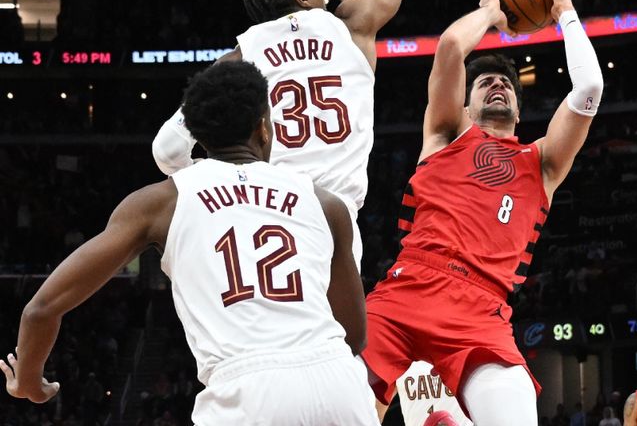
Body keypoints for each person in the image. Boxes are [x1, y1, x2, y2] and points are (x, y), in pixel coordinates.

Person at [151, 0, 476, 270]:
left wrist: (219, 183)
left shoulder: (237, 61)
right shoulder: (351, 25)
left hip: (260, 228)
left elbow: (166, 152)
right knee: (338, 339)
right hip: (334, 227)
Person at [1, 62, 379, 425]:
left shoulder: (161, 202)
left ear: (198, 134)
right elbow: (355, 335)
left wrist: (29, 383)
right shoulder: (325, 203)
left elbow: (41, 310)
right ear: (264, 128)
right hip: (338, 383)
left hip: (247, 393)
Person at [360, 0, 604, 425]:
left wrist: (565, 9)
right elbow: (451, 46)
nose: (498, 85)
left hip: (480, 309)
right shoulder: (446, 133)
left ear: (518, 106)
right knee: (332, 413)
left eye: (507, 84)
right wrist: (491, 12)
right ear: (466, 104)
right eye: (486, 82)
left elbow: (590, 85)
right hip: (405, 291)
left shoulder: (544, 163)